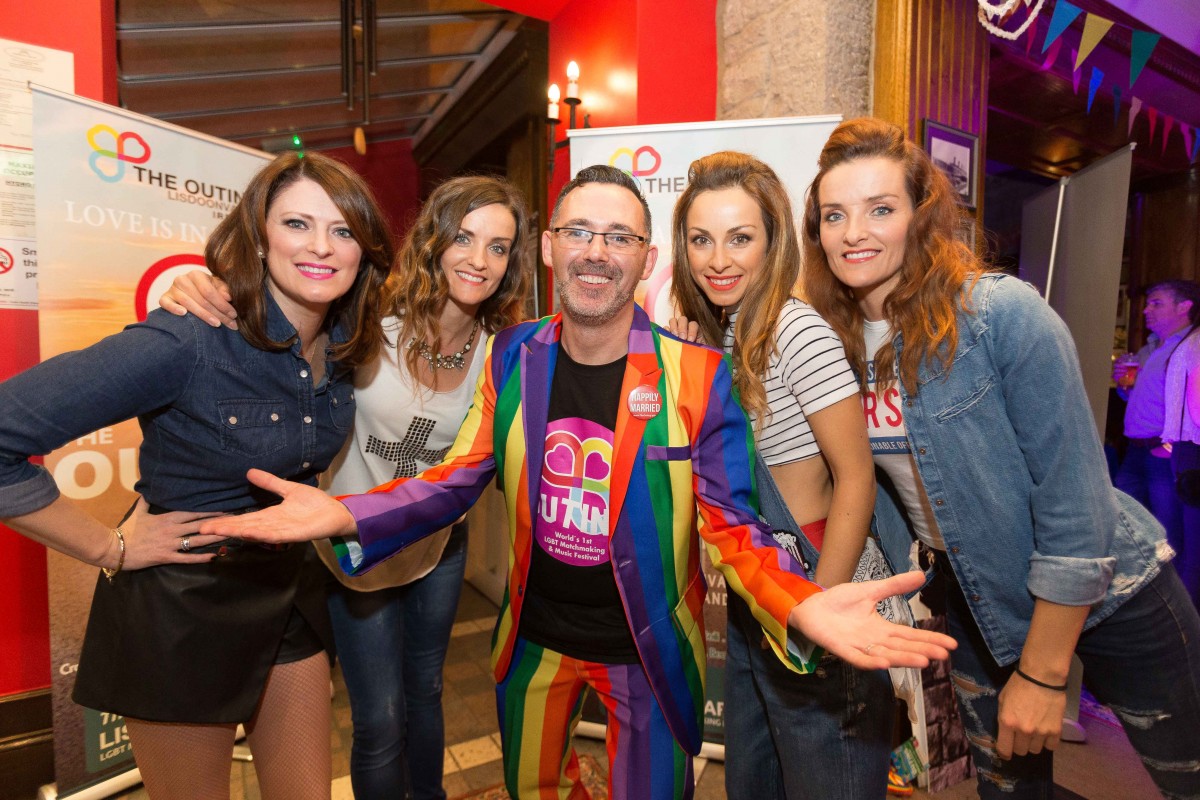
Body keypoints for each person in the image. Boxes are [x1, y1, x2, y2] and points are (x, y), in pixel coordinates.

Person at [200, 164, 956, 800]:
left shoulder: (699, 376)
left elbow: (732, 528)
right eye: (580, 232)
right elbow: (455, 479)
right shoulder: (512, 355)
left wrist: (803, 603)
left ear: (647, 260)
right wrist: (345, 515)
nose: (598, 252)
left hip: (648, 655)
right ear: (549, 248)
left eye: (620, 237)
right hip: (533, 647)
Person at [802, 117, 1200, 800]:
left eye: (881, 209)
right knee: (1009, 790)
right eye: (834, 215)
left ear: (920, 217)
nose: (854, 232)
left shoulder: (999, 314)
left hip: (1114, 595)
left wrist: (1043, 676)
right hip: (980, 600)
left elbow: (1077, 504)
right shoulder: (831, 345)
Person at [0, 151, 394, 800]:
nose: (321, 246)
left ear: (364, 251)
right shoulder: (191, 338)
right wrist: (109, 547)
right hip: (182, 609)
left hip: (288, 596)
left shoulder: (348, 344)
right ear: (259, 238)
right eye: (297, 224)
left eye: (343, 230)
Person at [160, 175, 534, 800]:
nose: (479, 259)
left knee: (427, 691)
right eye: (464, 237)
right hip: (348, 550)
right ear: (434, 240)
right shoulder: (364, 321)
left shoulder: (504, 352)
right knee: (380, 717)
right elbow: (276, 322)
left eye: (498, 247)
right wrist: (207, 289)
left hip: (436, 545)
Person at [666, 151, 891, 799]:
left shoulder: (796, 331)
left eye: (740, 238)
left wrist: (820, 605)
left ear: (773, 242)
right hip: (757, 587)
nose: (718, 259)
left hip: (816, 576)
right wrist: (688, 372)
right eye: (701, 240)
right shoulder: (725, 334)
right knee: (755, 782)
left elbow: (856, 478)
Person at [1112, 282, 1198, 567]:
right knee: (1124, 523)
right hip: (1135, 449)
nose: (1146, 309)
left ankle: (1172, 590)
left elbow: (1192, 405)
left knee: (1167, 531)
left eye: (1157, 303)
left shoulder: (1190, 346)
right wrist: (1126, 387)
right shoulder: (1150, 347)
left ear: (1184, 307)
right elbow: (1142, 398)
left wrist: (1170, 445)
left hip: (1164, 452)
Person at [1156, 280, 1200, 607]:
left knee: (1188, 546)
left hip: (1188, 451)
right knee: (1194, 550)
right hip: (1194, 451)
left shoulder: (1191, 341)